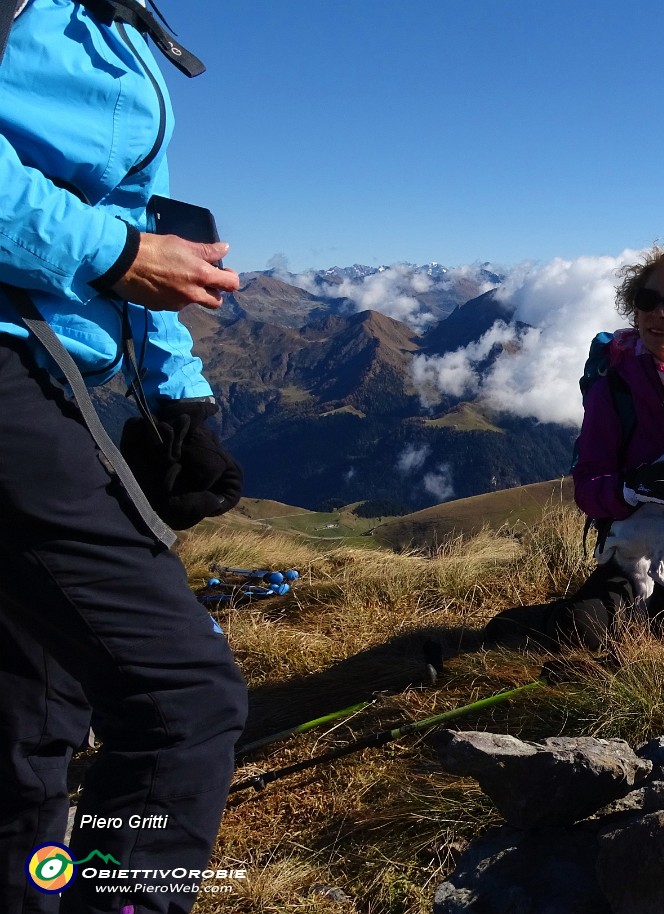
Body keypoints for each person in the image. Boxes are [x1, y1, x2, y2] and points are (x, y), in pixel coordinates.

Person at [0, 2, 247, 912]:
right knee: (180, 698)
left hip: (41, 363)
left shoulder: (112, 18)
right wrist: (117, 253)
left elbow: (136, 219)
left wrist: (179, 393)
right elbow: (123, 240)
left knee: (35, 699)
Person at [483, 242, 664, 652]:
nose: (658, 312)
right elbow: (588, 485)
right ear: (633, 307)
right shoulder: (614, 386)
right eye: (647, 299)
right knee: (583, 630)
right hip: (639, 526)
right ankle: (518, 627)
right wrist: (633, 486)